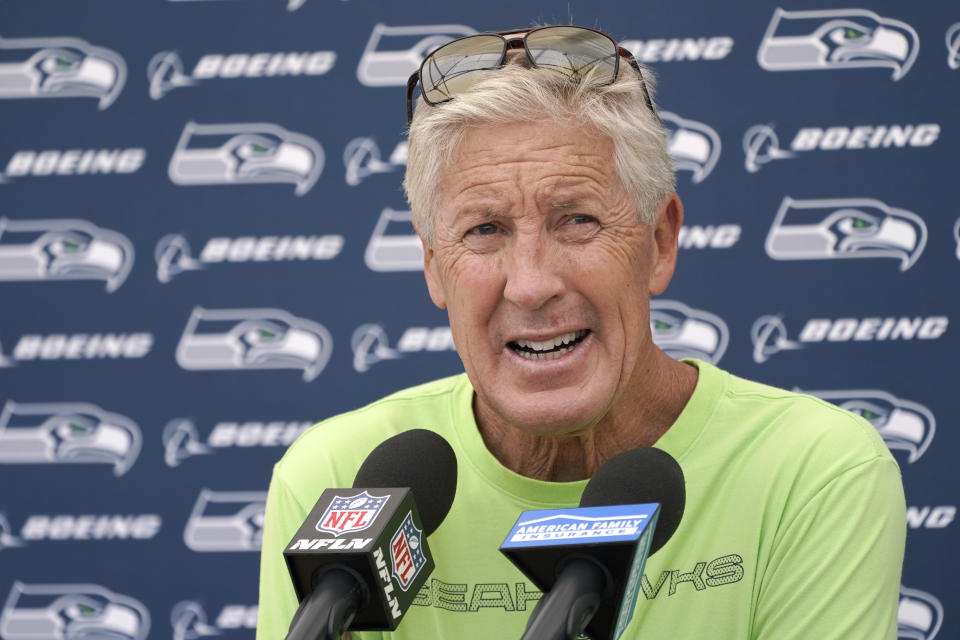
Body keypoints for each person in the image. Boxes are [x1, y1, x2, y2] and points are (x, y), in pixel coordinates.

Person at [257, 25, 905, 639]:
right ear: (433, 266)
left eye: (577, 220)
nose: (532, 283)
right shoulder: (339, 480)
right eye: (485, 230)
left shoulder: (810, 472)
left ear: (659, 242)